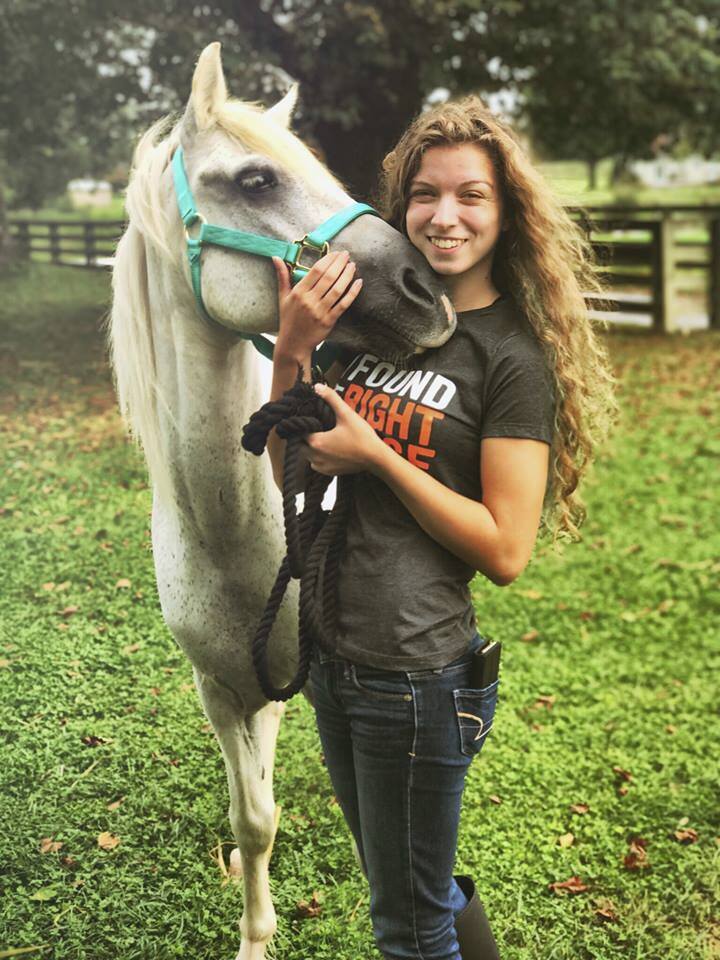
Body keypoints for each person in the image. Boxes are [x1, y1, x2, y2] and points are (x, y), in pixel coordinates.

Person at [267, 96, 616, 960]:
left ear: (507, 213)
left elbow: (506, 549)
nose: (444, 215)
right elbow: (288, 472)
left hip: (416, 677)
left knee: (409, 924)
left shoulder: (510, 358)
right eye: (424, 194)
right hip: (336, 660)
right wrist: (294, 346)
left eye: (471, 195)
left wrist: (379, 458)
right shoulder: (373, 330)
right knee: (410, 890)